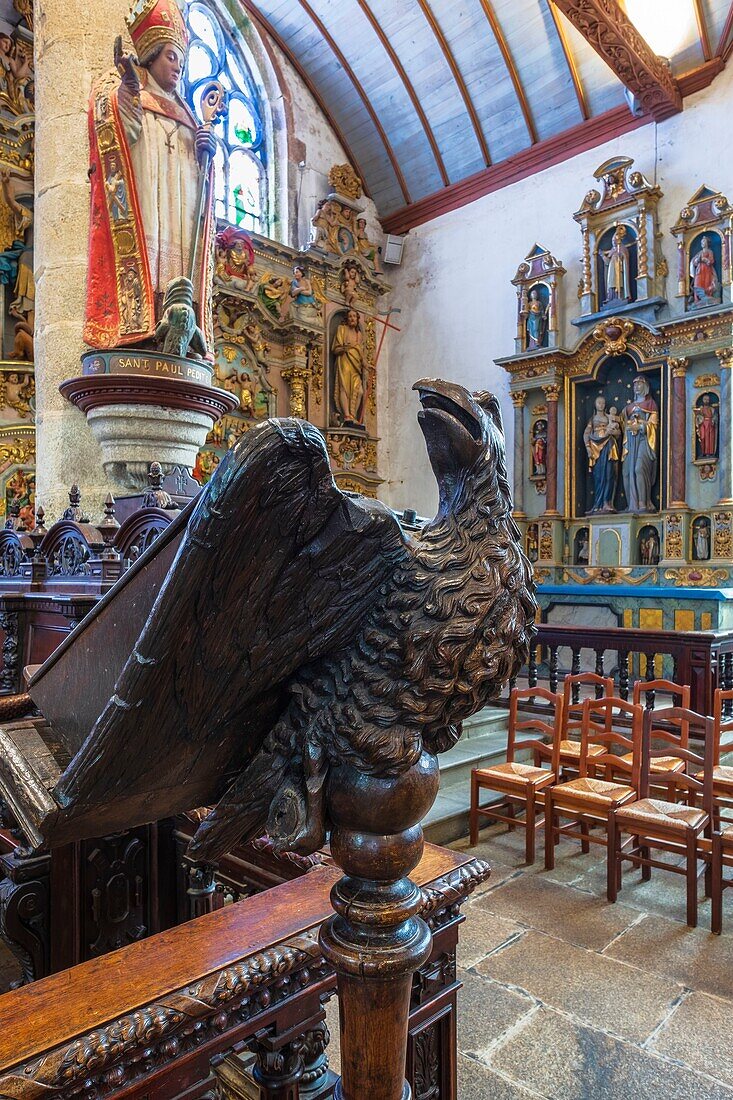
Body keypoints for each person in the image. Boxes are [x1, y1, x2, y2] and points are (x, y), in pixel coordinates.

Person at [84, 0, 217, 351]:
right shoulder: (133, 97)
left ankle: (178, 321)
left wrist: (206, 148)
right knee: (149, 257)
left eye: (181, 62)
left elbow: (201, 179)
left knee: (176, 264)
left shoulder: (189, 113)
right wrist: (127, 90)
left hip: (178, 211)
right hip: (146, 204)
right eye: (171, 57)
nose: (177, 68)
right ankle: (142, 323)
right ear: (152, 56)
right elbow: (117, 136)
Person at [622, 376, 658, 513]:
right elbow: (621, 424)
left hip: (644, 440)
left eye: (639, 384)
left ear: (646, 387)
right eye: (634, 384)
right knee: (626, 472)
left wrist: (642, 427)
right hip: (629, 442)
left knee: (638, 469)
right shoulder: (628, 408)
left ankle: (643, 502)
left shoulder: (651, 405)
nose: (636, 387)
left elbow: (654, 425)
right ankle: (632, 504)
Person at [583, 395, 621, 513]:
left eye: (603, 403)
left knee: (609, 474)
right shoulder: (592, 419)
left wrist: (613, 431)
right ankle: (597, 504)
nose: (601, 405)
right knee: (599, 477)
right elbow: (586, 434)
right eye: (599, 403)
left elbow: (618, 433)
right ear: (595, 404)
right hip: (596, 448)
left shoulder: (610, 418)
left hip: (609, 447)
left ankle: (607, 502)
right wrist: (588, 448)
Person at [332, 308, 365, 428]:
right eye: (350, 316)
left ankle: (353, 416)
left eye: (354, 317)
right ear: (347, 319)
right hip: (344, 361)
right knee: (344, 388)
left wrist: (366, 364)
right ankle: (347, 415)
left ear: (357, 319)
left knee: (359, 391)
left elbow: (361, 352)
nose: (352, 318)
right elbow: (335, 349)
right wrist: (345, 348)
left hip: (356, 365)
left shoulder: (359, 334)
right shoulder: (342, 329)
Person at [601, 225, 632, 303]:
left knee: (619, 283)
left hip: (619, 270)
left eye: (614, 240)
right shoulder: (612, 250)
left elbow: (625, 258)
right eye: (612, 241)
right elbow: (607, 262)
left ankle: (620, 296)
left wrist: (621, 257)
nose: (613, 242)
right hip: (611, 270)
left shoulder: (622, 248)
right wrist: (602, 255)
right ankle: (610, 297)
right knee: (610, 283)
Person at [690, 235, 720, 306]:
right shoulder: (699, 252)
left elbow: (711, 261)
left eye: (703, 241)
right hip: (699, 270)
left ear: (707, 243)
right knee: (697, 283)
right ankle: (697, 300)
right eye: (701, 242)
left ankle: (707, 296)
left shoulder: (710, 251)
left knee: (707, 283)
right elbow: (694, 262)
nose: (702, 243)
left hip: (707, 270)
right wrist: (697, 260)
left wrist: (705, 260)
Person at [695, 393, 718, 459]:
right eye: (705, 399)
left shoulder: (712, 409)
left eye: (707, 399)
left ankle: (709, 453)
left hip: (710, 424)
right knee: (703, 438)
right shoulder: (701, 409)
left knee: (710, 439)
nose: (706, 401)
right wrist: (699, 417)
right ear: (702, 400)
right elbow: (698, 416)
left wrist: (713, 420)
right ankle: (703, 452)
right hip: (703, 425)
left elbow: (715, 416)